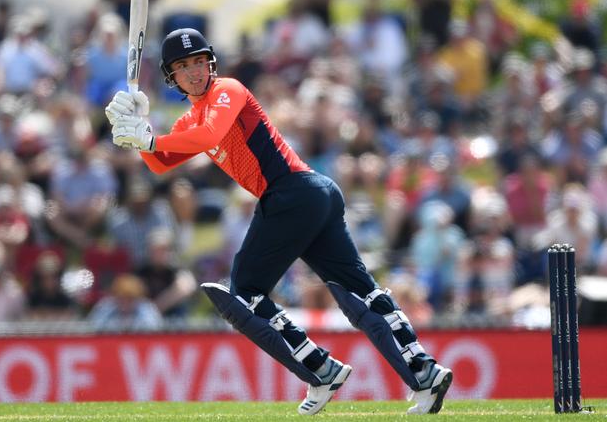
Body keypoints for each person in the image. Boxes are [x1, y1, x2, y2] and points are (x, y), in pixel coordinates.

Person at [104, 28, 452, 415]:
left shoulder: (228, 90)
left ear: (211, 62)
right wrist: (137, 133)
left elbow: (210, 134)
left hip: (290, 192)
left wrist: (149, 139)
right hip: (310, 196)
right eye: (183, 66)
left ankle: (320, 369)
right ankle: (424, 371)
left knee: (245, 292)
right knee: (359, 293)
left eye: (199, 61)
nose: (194, 71)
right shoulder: (188, 122)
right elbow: (160, 162)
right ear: (172, 76)